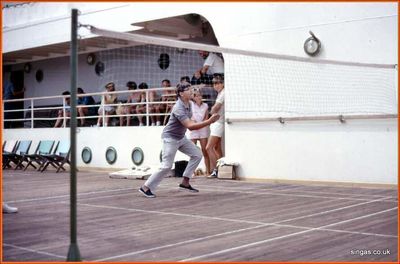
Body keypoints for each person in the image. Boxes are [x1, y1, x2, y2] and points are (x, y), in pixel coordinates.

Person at [139, 82, 220, 198]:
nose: (191, 91)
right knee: (166, 166)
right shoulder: (178, 108)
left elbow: (192, 121)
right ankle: (145, 187)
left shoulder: (190, 104)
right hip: (170, 138)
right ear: (181, 94)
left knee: (197, 154)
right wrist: (209, 121)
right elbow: (190, 126)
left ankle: (185, 182)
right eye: (188, 89)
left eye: (191, 89)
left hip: (181, 137)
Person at [188, 90, 211, 175]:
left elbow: (206, 118)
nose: (199, 97)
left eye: (200, 95)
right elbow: (188, 116)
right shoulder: (190, 104)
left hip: (203, 129)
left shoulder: (205, 105)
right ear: (193, 97)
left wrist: (201, 125)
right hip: (193, 128)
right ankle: (192, 172)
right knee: (193, 152)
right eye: (196, 96)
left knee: (205, 150)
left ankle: (208, 172)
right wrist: (192, 123)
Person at [206, 75, 225, 177]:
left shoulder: (223, 93)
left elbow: (215, 109)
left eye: (218, 83)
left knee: (208, 147)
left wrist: (211, 111)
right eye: (214, 83)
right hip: (217, 123)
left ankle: (215, 170)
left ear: (222, 83)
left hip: (219, 123)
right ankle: (221, 170)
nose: (215, 85)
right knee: (217, 148)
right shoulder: (220, 93)